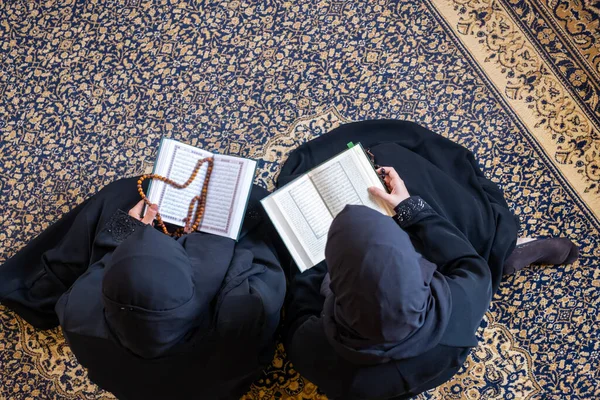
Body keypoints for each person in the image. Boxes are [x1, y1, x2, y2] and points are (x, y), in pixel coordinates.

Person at [280, 120, 578, 400]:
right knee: (398, 162)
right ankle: (507, 252)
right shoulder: (467, 295)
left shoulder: (312, 350)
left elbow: (299, 305)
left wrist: (321, 267)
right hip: (438, 357)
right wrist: (408, 207)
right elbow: (461, 254)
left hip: (370, 386)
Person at [0, 177, 286, 400]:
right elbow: (259, 262)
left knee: (122, 195)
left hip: (140, 388)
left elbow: (99, 267)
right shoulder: (242, 309)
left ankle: (31, 293)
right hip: (213, 389)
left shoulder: (77, 312)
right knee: (257, 202)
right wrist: (204, 239)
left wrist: (126, 233)